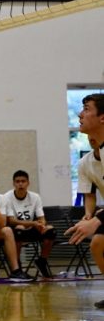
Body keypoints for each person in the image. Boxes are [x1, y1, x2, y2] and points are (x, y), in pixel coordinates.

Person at [66, 93, 104, 308]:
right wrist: (90, 215)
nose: (80, 114)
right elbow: (89, 193)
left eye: (87, 108)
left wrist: (97, 220)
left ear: (102, 117)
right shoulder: (87, 162)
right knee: (98, 243)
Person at [2, 170, 56, 279]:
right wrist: (32, 223)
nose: (20, 184)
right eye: (17, 181)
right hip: (15, 230)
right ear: (14, 183)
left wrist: (42, 225)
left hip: (32, 228)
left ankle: (41, 261)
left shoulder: (35, 197)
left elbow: (42, 218)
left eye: (23, 181)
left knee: (51, 230)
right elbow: (11, 220)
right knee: (19, 228)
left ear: (28, 183)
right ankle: (17, 266)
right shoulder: (7, 197)